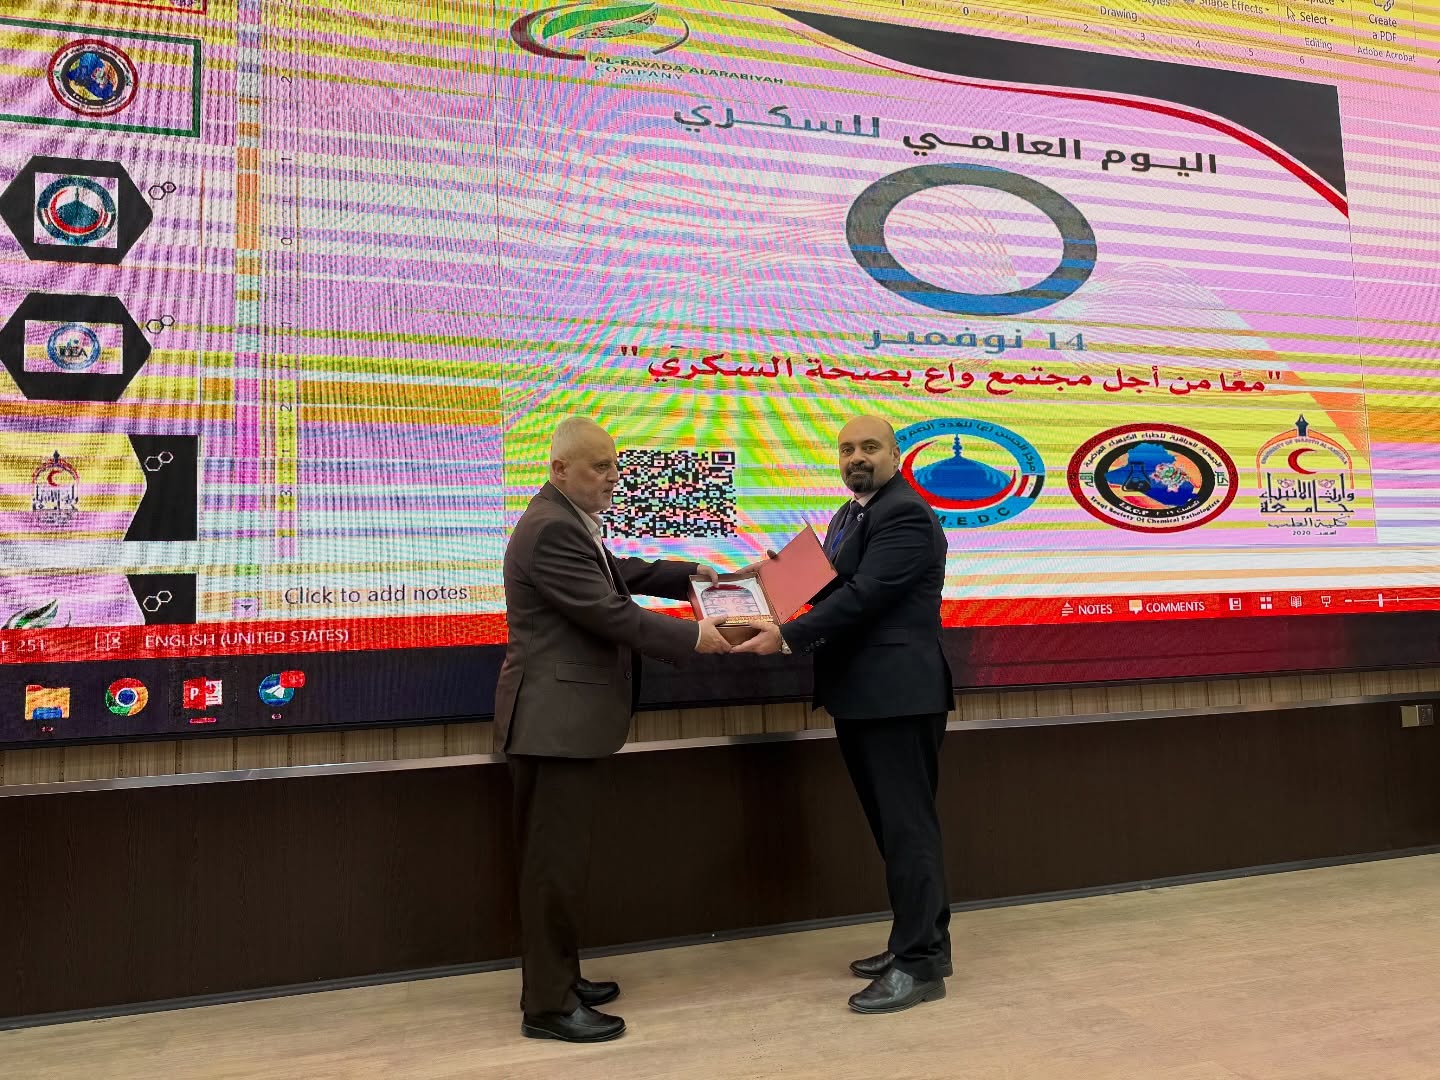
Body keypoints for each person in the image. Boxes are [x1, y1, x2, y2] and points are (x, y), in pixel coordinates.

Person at [495, 416, 733, 1043]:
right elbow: (609, 612)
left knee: (561, 865)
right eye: (599, 466)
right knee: (553, 870)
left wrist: (693, 574)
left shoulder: (565, 518)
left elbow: (616, 571)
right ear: (559, 469)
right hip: (552, 725)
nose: (612, 477)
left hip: (563, 723)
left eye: (614, 465)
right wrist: (696, 635)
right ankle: (548, 1006)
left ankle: (562, 980)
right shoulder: (550, 528)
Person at [735, 414, 954, 1014]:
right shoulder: (850, 513)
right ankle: (923, 942)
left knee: (908, 830)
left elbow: (866, 596)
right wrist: (773, 578)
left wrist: (787, 636)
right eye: (847, 449)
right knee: (895, 829)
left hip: (898, 694)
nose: (856, 457)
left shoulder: (904, 513)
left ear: (896, 454)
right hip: (863, 693)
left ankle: (919, 966)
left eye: (870, 447)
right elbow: (835, 584)